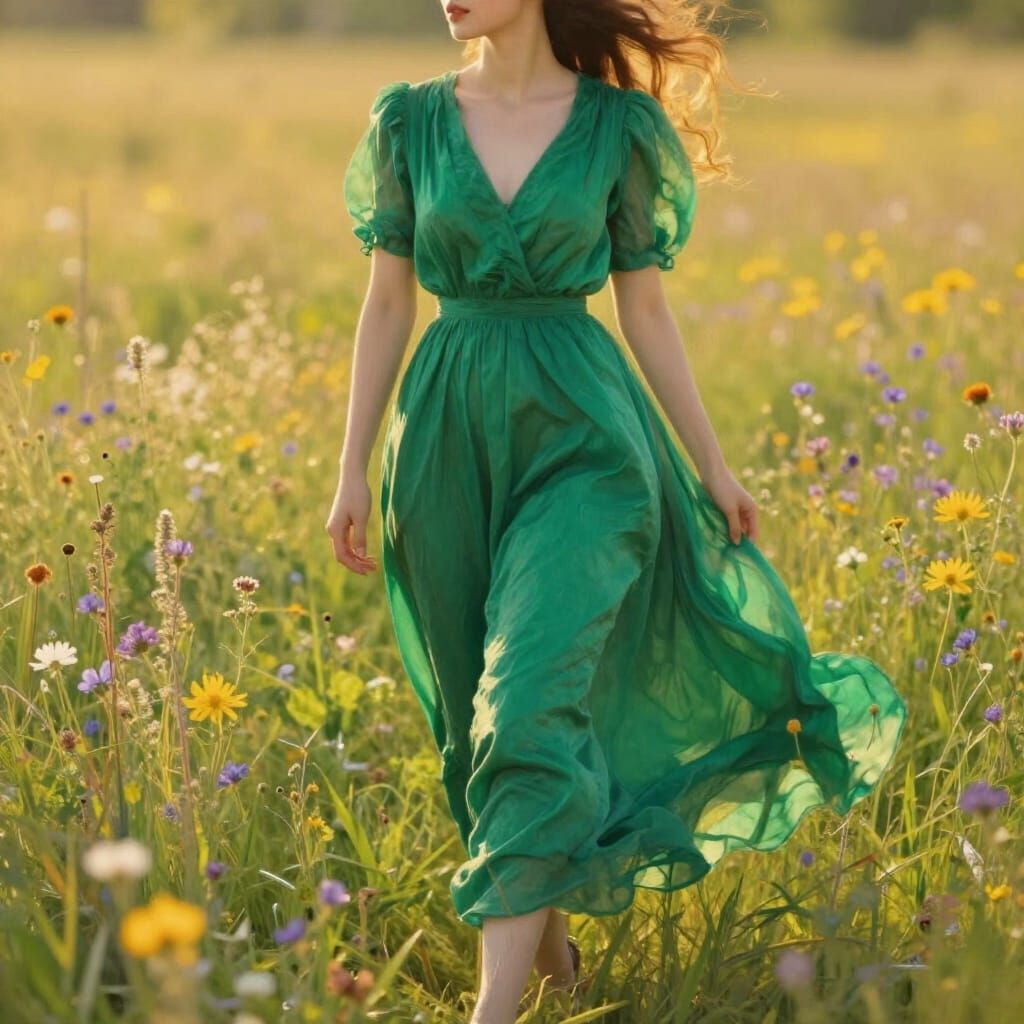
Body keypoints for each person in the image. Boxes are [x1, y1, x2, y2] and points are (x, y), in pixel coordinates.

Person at [326, 2, 908, 1022]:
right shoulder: (407, 120)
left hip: (588, 443)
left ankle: (491, 1013)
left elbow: (644, 306)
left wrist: (713, 465)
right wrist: (348, 473)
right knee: (477, 734)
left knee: (526, 701)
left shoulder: (614, 128)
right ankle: (557, 975)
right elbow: (387, 301)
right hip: (441, 443)